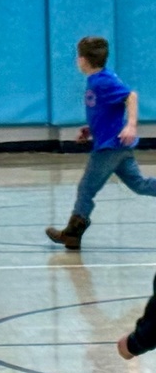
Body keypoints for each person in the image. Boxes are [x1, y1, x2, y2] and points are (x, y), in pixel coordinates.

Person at [46, 36, 156, 249]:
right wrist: (91, 129)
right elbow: (105, 110)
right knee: (140, 185)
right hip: (116, 145)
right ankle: (72, 233)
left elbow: (131, 96)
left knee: (86, 188)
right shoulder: (97, 79)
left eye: (78, 56)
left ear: (84, 60)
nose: (77, 60)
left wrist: (131, 125)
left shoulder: (103, 80)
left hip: (110, 147)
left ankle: (72, 233)